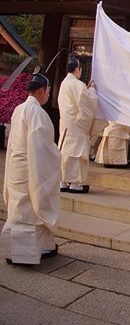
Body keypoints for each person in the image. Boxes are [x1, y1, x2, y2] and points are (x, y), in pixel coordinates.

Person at [1, 72, 61, 266]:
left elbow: (12, 144)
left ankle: (18, 251)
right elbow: (40, 150)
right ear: (42, 91)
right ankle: (28, 254)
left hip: (16, 168)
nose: (48, 94)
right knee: (30, 212)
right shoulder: (37, 113)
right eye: (49, 91)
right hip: (29, 170)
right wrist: (57, 156)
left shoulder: (19, 109)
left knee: (20, 210)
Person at [58, 57, 98, 193]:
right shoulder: (77, 84)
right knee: (76, 154)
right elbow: (87, 104)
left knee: (65, 151)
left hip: (65, 123)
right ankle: (75, 183)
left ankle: (63, 181)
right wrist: (92, 90)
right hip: (76, 124)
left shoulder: (65, 83)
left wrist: (86, 90)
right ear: (77, 69)